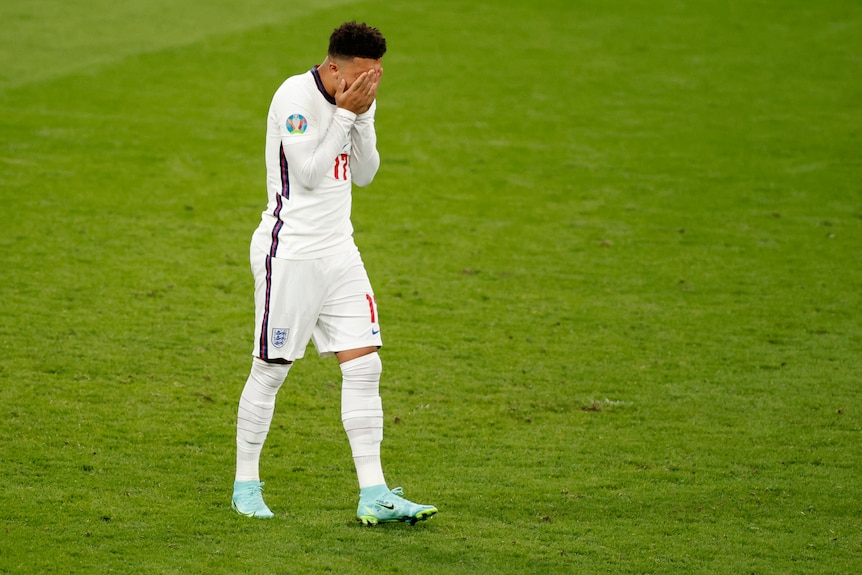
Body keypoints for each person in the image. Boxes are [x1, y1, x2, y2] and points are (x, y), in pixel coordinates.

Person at [231, 21, 437, 526]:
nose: (371, 84)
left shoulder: (358, 100)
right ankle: (246, 484)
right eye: (363, 76)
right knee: (272, 369)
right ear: (334, 68)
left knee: (365, 366)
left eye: (378, 77)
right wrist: (345, 116)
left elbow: (364, 174)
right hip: (291, 255)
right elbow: (306, 173)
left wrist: (361, 117)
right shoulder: (295, 97)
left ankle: (375, 493)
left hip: (340, 253)